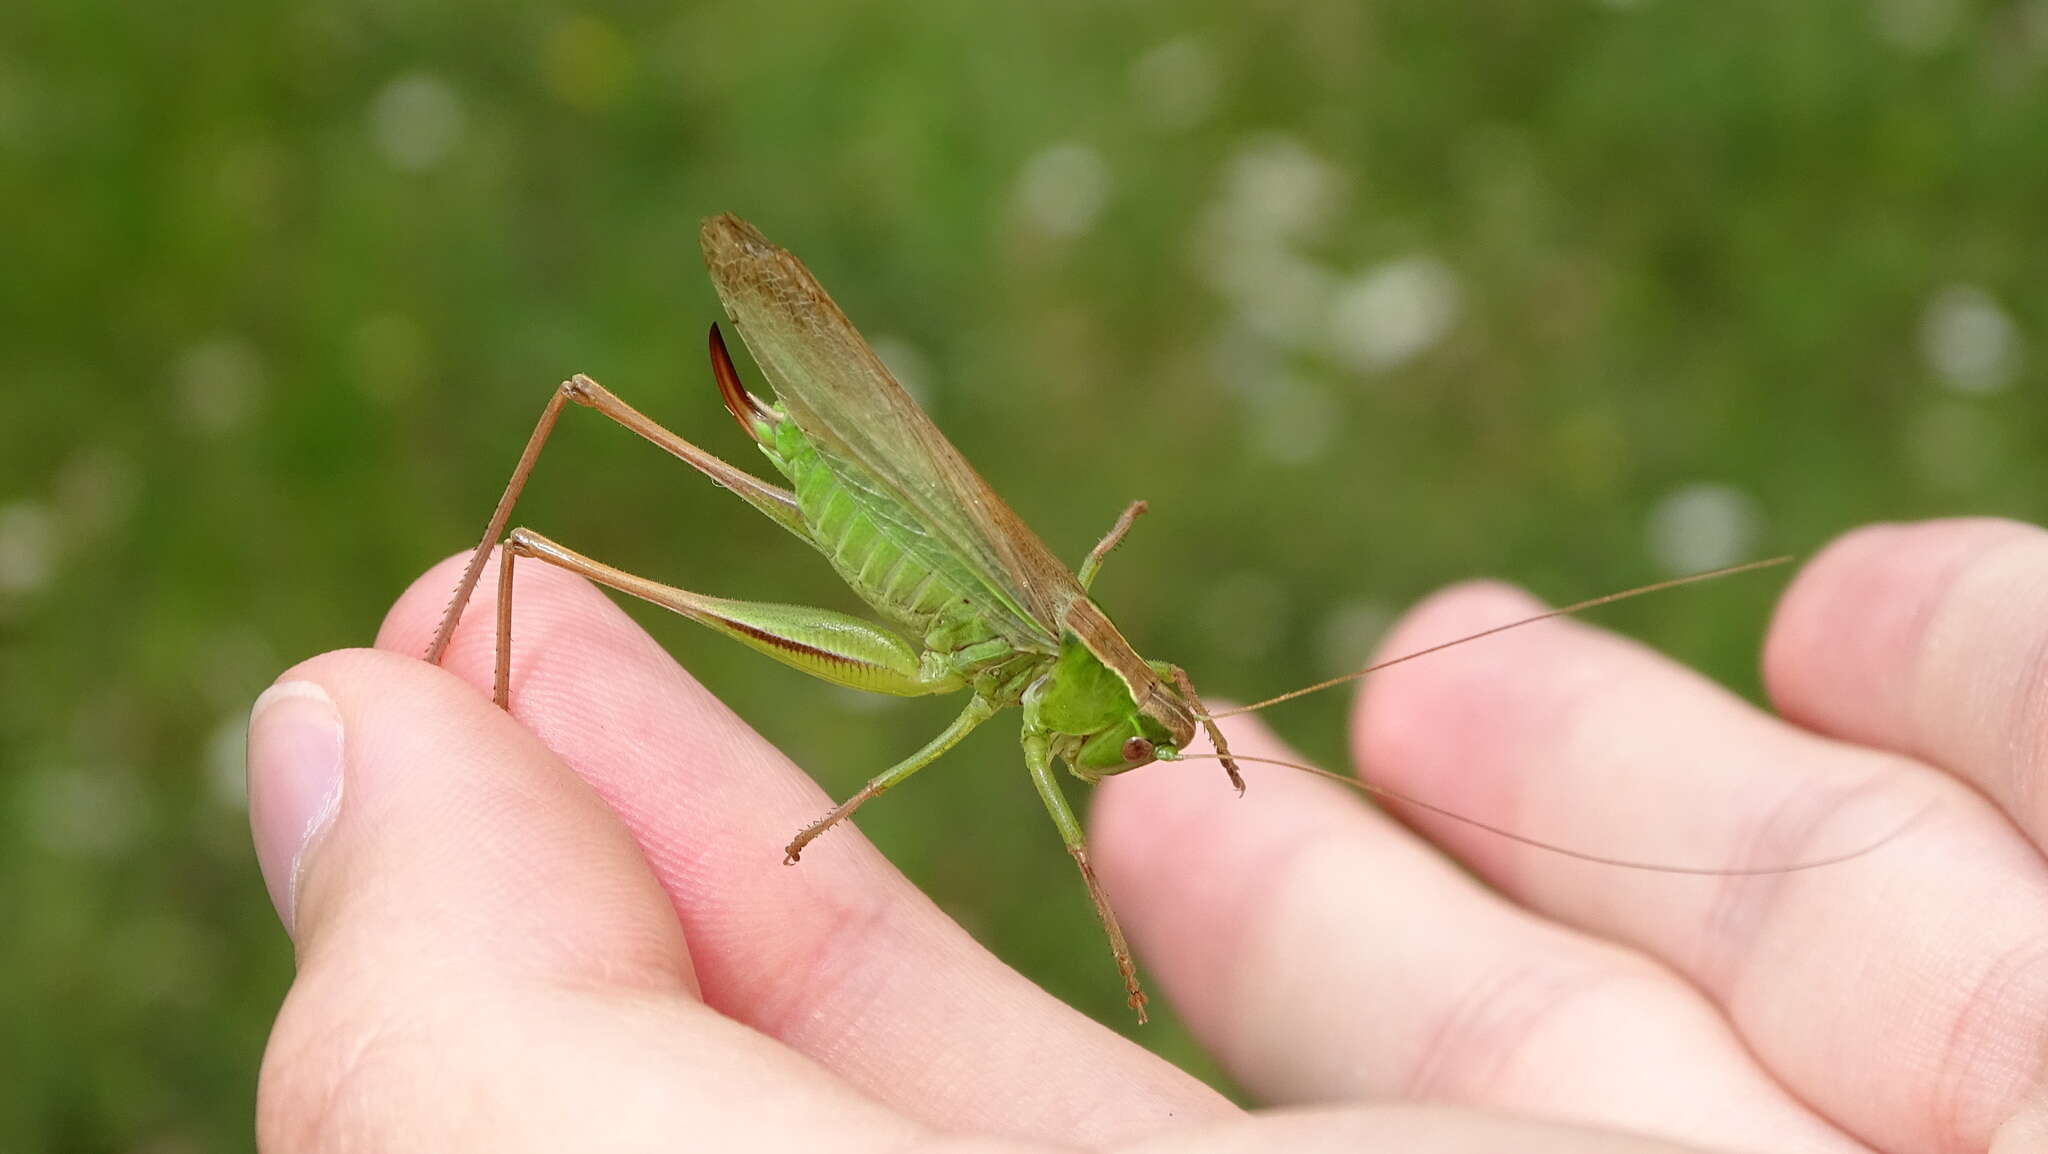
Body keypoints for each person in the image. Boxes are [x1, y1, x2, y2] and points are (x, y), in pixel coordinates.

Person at [244, 518, 2048, 1152]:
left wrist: (1189, 725)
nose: (1153, 737)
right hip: (918, 582)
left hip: (992, 611)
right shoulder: (1054, 694)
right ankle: (482, 671)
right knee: (566, 554)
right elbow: (1039, 737)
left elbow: (1117, 686)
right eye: (1156, 718)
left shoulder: (1115, 689)